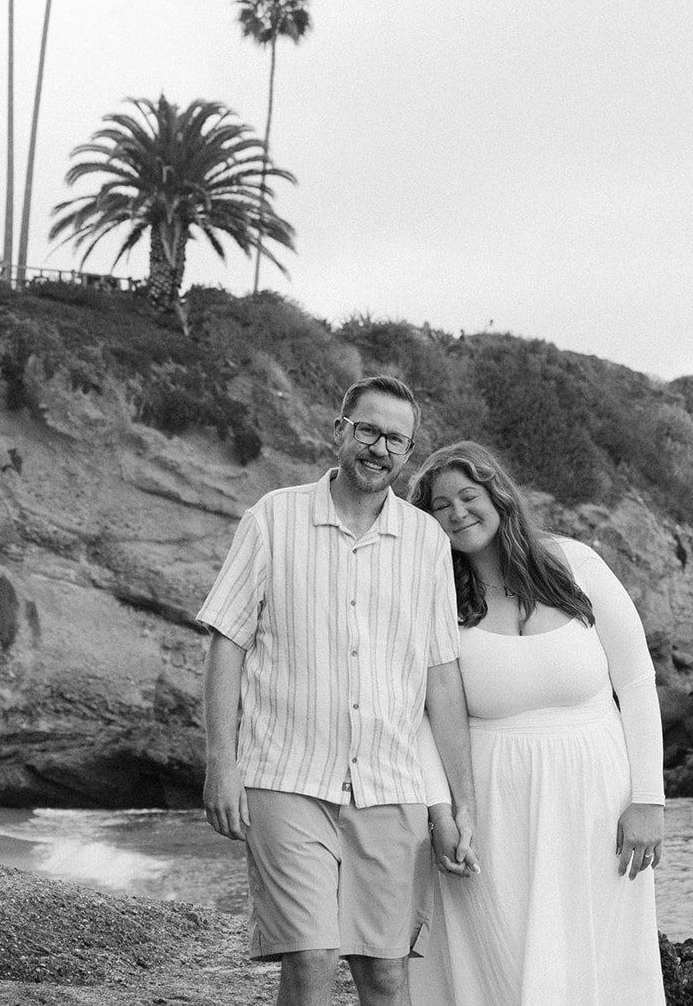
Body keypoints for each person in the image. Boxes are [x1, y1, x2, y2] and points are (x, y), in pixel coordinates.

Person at [198, 376, 479, 1006]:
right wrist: (222, 762)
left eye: (396, 440)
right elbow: (227, 643)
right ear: (339, 431)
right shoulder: (273, 517)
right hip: (286, 777)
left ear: (407, 453)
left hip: (390, 784)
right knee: (311, 956)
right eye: (368, 430)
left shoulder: (428, 543)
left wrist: (461, 804)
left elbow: (441, 677)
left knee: (384, 973)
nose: (380, 448)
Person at [407, 441, 666, 1006]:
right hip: (491, 805)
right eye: (440, 505)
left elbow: (638, 682)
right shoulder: (432, 596)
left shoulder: (575, 564)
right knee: (499, 955)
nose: (457, 513)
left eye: (468, 496)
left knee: (600, 954)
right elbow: (421, 717)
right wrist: (442, 812)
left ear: (498, 495)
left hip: (598, 802)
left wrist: (649, 798)